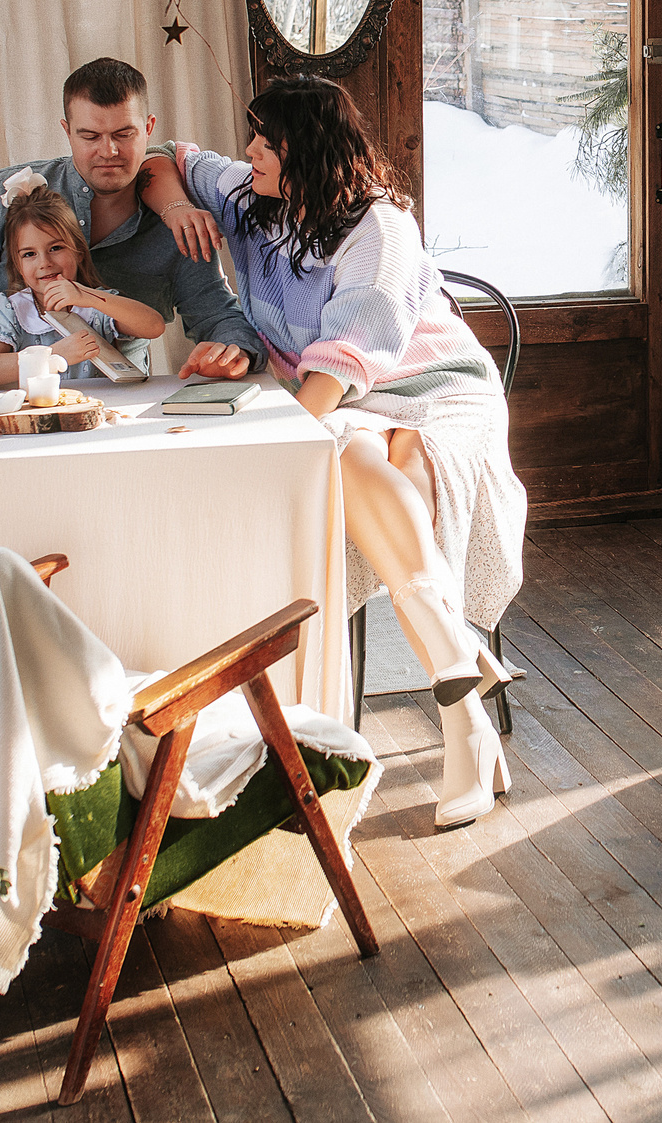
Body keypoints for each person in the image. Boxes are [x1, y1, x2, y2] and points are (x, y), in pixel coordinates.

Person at [140, 76, 526, 829]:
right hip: (355, 405)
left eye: (266, 140)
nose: (249, 150)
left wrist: (280, 446)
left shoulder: (379, 230)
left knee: (355, 463)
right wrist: (180, 203)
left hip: (439, 390)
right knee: (352, 458)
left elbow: (344, 361)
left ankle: (461, 715)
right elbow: (164, 159)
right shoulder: (253, 197)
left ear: (307, 151)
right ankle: (460, 683)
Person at [0, 58, 265, 383]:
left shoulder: (173, 220)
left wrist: (234, 351)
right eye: (90, 136)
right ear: (67, 131)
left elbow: (216, 313)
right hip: (10, 405)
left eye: (123, 134)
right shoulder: (7, 195)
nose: (108, 151)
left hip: (117, 405)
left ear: (148, 128)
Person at [0, 177, 165, 386]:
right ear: (18, 265)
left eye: (55, 248)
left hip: (96, 410)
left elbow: (154, 326)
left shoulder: (94, 305)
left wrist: (88, 297)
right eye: (29, 254)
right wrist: (53, 355)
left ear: (79, 252)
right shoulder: (12, 309)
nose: (44, 263)